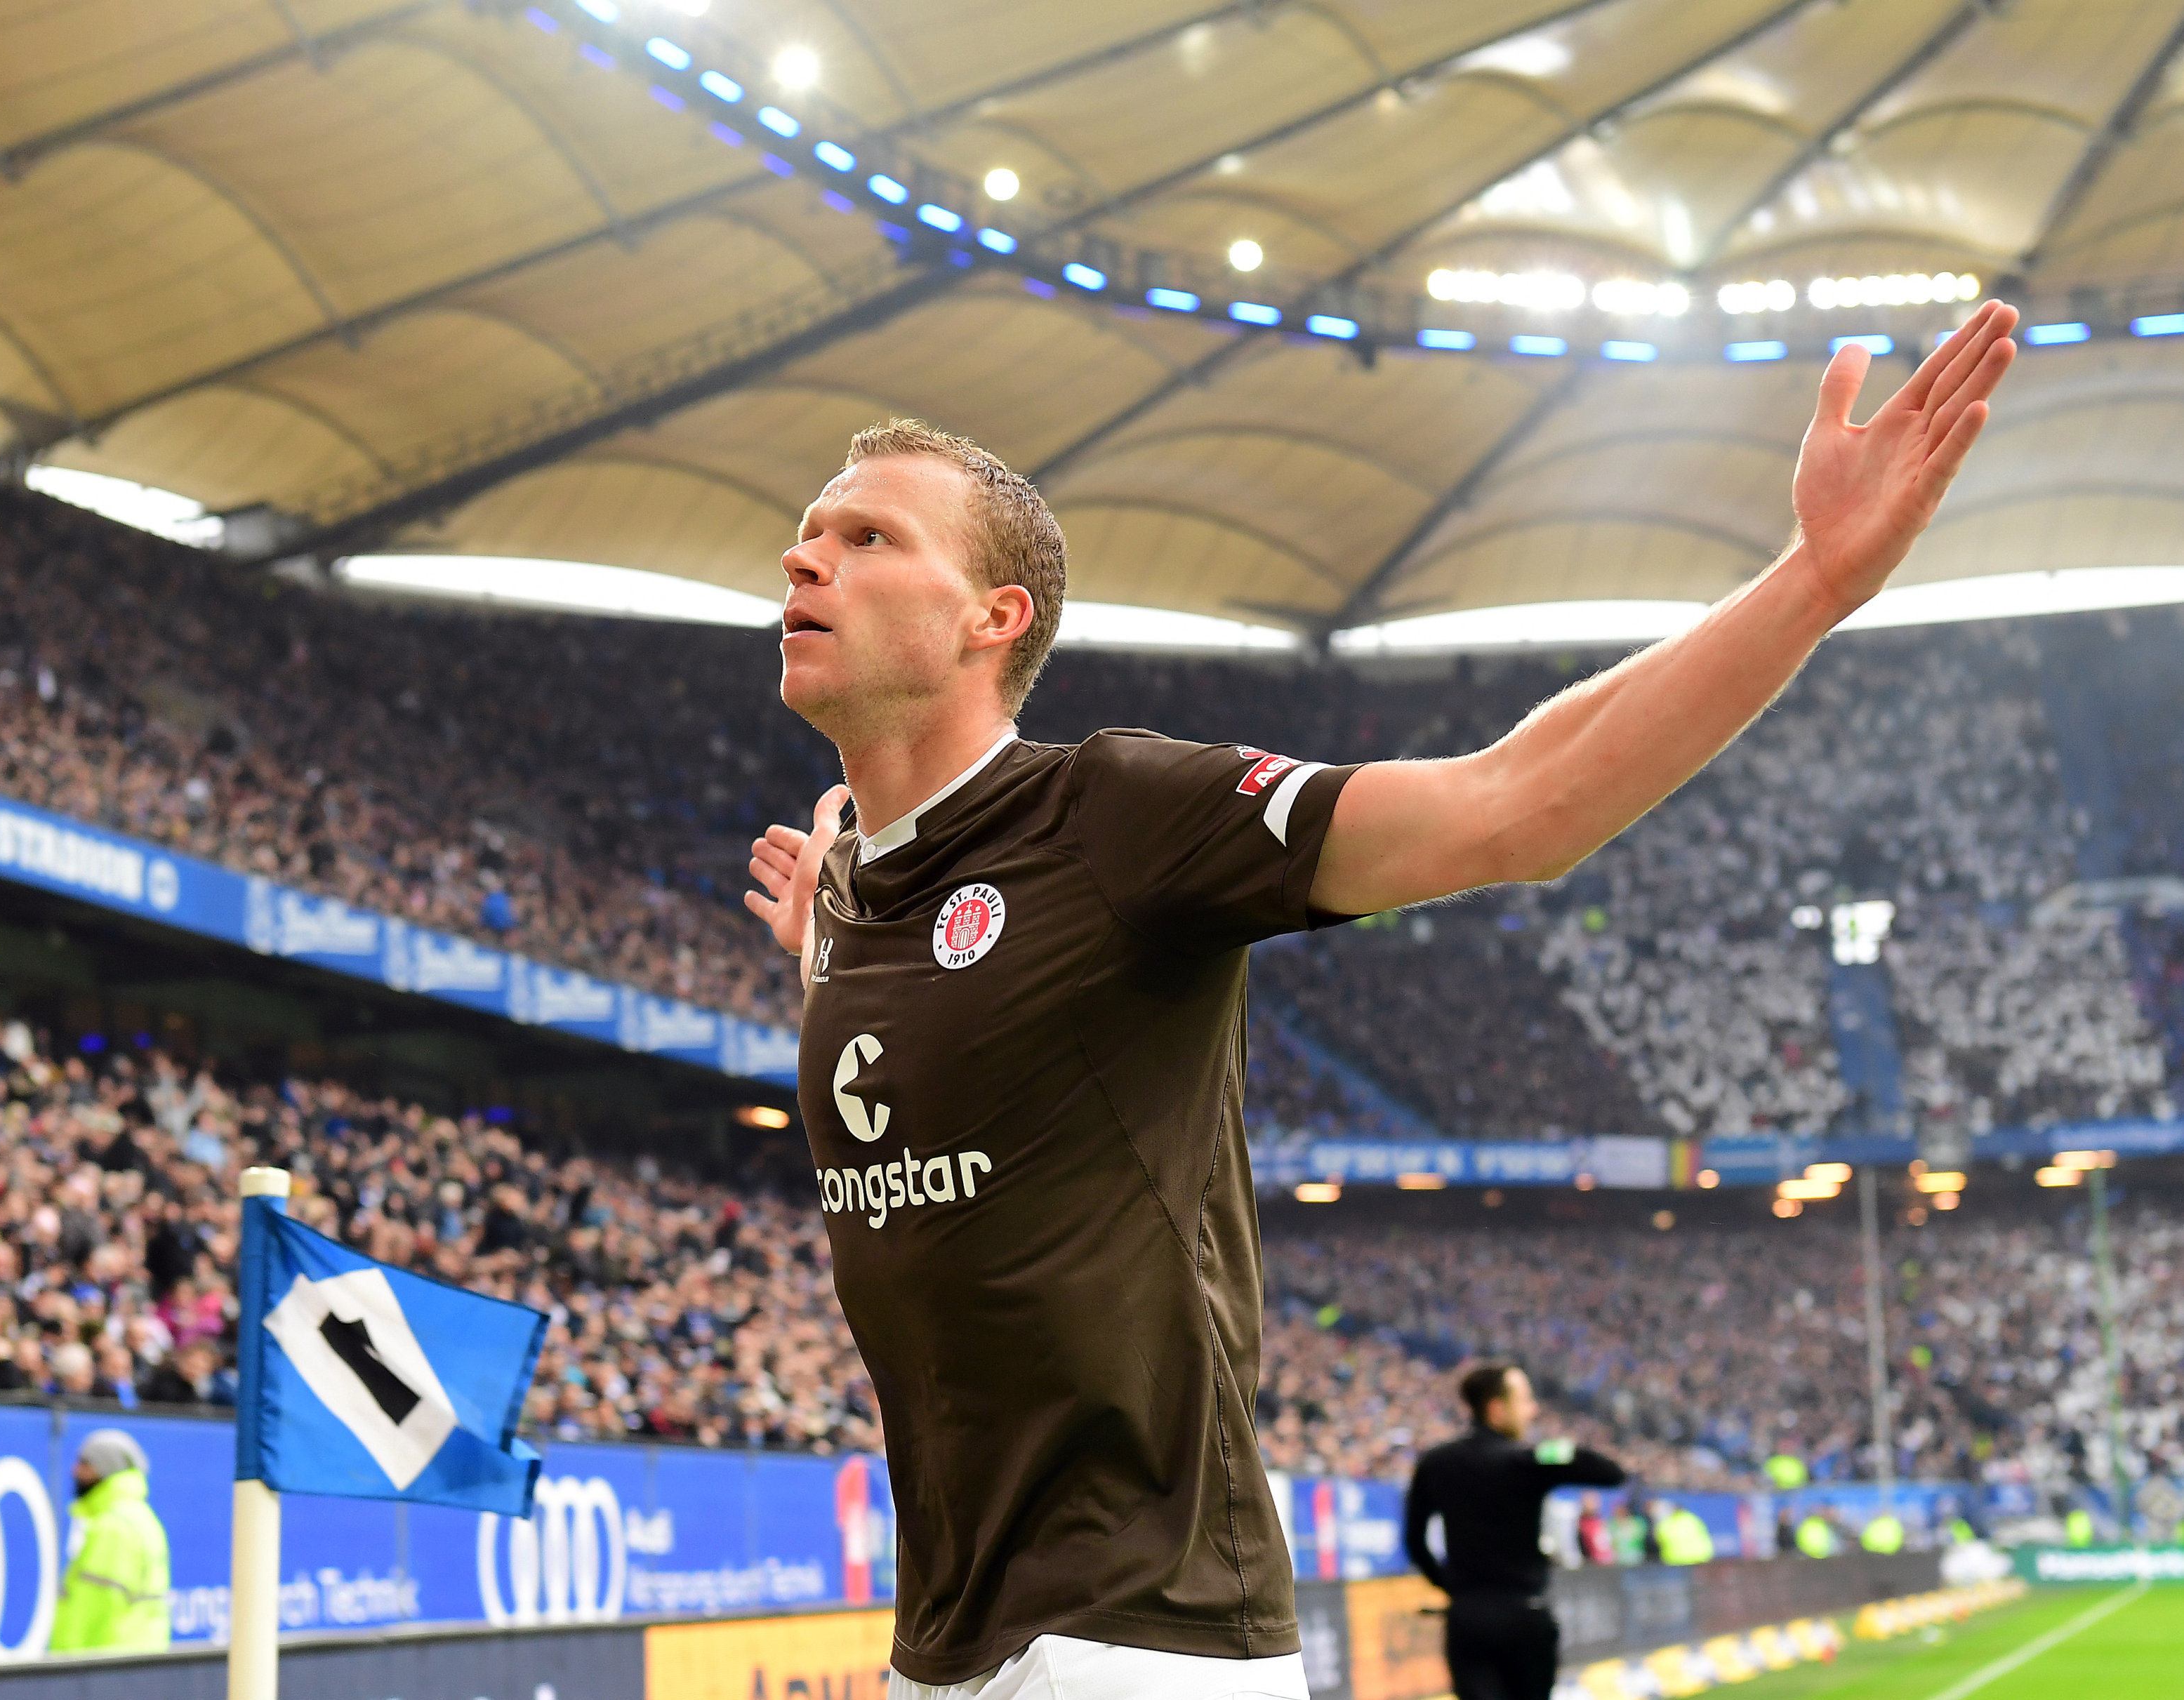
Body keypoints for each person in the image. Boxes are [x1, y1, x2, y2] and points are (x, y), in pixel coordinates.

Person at [743, 307, 2018, 1699]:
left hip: (1130, 1636)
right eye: (811, 530)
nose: (808, 553)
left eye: (871, 535)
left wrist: (1813, 580)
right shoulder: (867, 899)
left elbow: (1510, 805)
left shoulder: (1108, 810)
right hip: (941, 1646)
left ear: (996, 618)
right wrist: (835, 943)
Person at [1401, 1364, 1626, 1700]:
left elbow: (1414, 1542)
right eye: (1525, 1400)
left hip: (1467, 1619)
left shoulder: (1437, 1462)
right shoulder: (1528, 1461)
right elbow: (1611, 1473)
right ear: (1496, 1409)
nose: (1533, 1410)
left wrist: (1454, 1588)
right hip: (1525, 1617)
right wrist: (1551, 1449)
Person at [49, 1428, 171, 1652]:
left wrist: (66, 1667)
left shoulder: (114, 1527)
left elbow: (94, 1608)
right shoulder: (138, 1517)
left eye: (86, 1464)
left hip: (105, 1668)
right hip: (132, 1663)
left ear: (106, 1468)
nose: (75, 1471)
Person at [1650, 1498, 1714, 1565]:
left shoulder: (1666, 1523)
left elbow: (1659, 1539)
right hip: (1700, 1557)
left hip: (1677, 1560)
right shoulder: (1692, 1518)